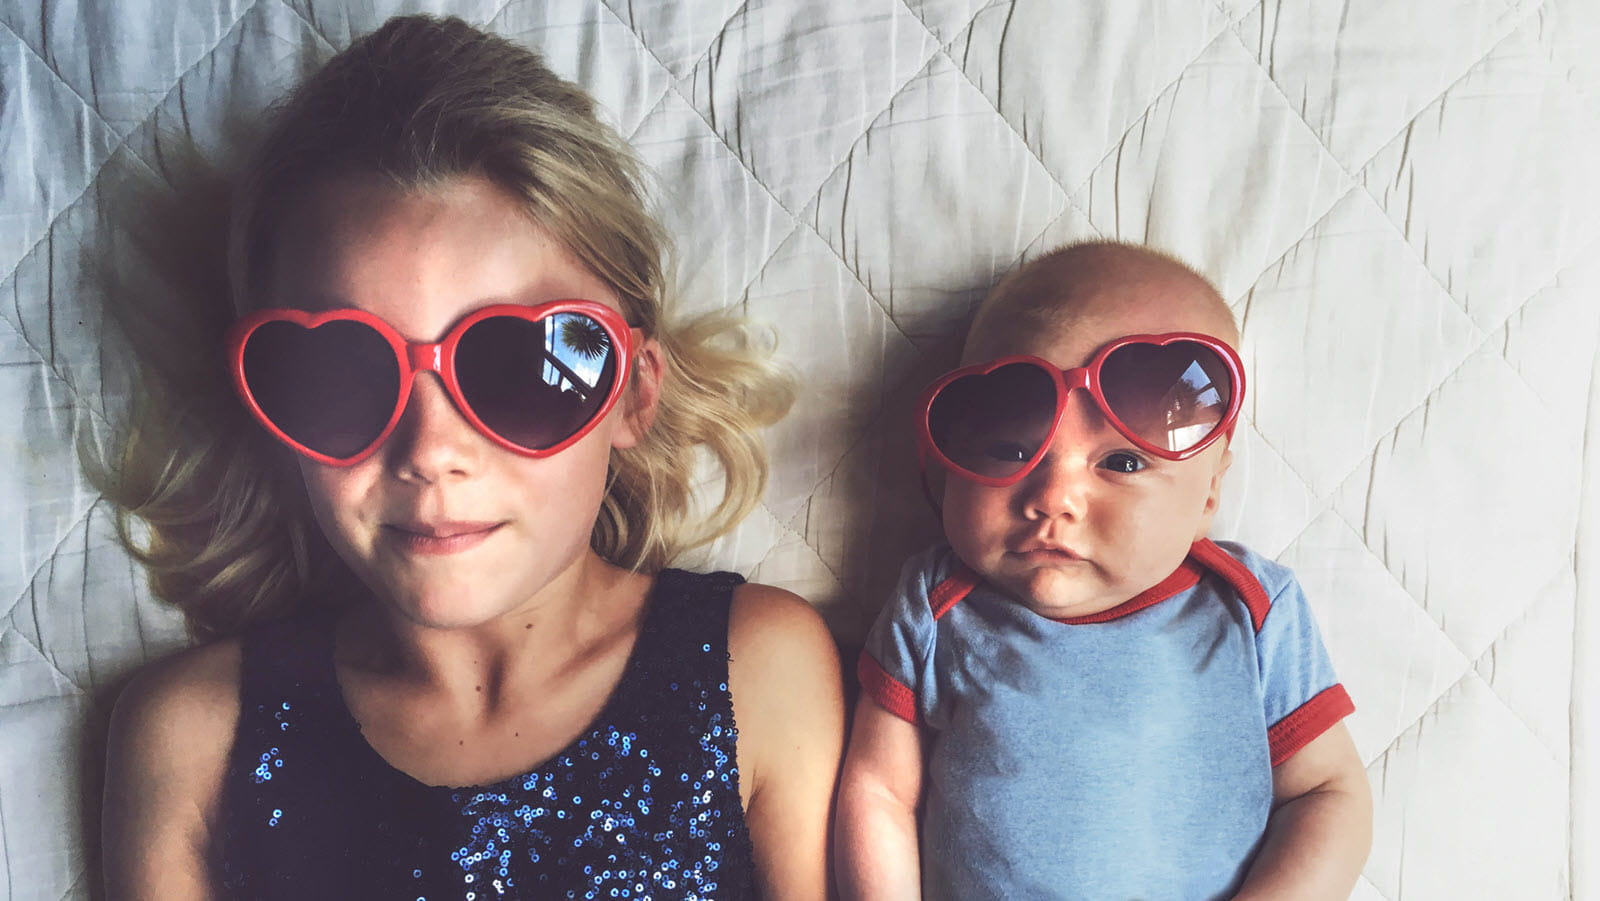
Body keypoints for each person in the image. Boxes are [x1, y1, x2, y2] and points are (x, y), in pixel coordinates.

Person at [98, 15, 844, 899]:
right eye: (343, 373)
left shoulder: (756, 669)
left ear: (634, 394)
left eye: (520, 366)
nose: (431, 450)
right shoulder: (191, 738)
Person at [835, 241, 1372, 899]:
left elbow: (1327, 792)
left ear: (1208, 493)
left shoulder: (1250, 607)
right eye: (1012, 449)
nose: (1053, 498)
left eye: (1121, 463)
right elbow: (878, 788)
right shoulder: (938, 605)